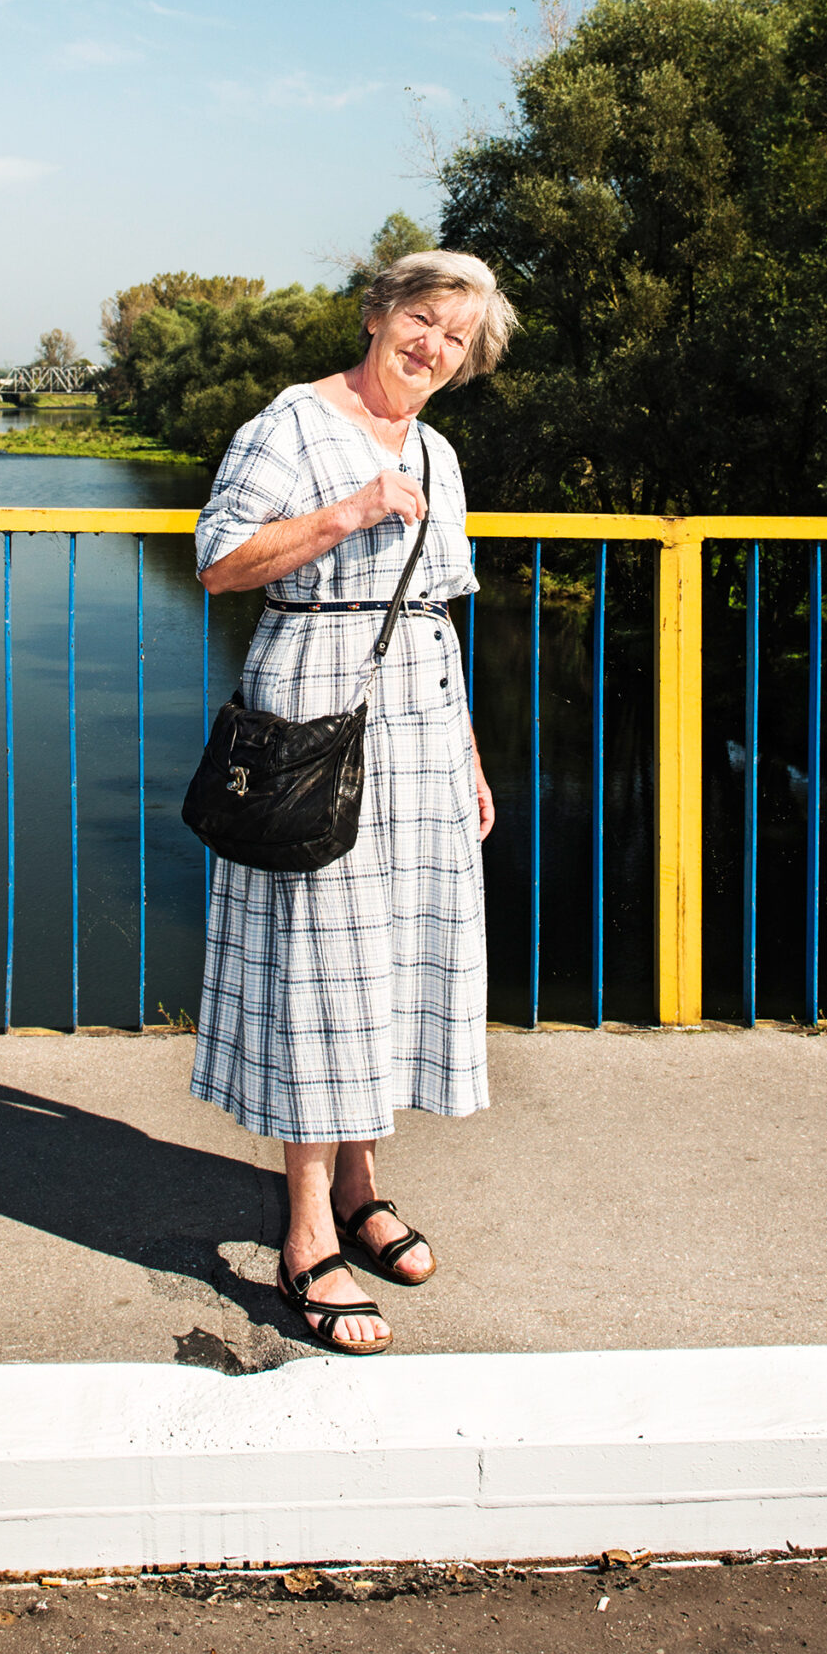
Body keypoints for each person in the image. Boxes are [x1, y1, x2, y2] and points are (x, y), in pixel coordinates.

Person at [190, 249, 518, 1353]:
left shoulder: (437, 447)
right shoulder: (292, 421)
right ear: (379, 315)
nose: (433, 345)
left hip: (420, 723)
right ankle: (302, 1240)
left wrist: (467, 750)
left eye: (456, 337)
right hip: (316, 712)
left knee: (393, 958)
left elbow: (434, 612)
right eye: (422, 319)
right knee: (325, 968)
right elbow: (221, 560)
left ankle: (360, 1189)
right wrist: (347, 511)